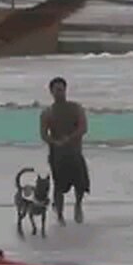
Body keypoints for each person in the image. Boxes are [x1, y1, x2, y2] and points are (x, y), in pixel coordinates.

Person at [39, 76, 89, 224]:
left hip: (75, 152)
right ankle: (60, 215)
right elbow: (43, 134)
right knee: (58, 186)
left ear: (65, 90)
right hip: (57, 154)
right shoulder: (47, 113)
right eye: (56, 90)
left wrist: (70, 138)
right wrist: (54, 142)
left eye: (61, 90)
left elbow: (83, 128)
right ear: (51, 92)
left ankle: (78, 206)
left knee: (80, 184)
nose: (59, 93)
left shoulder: (76, 108)